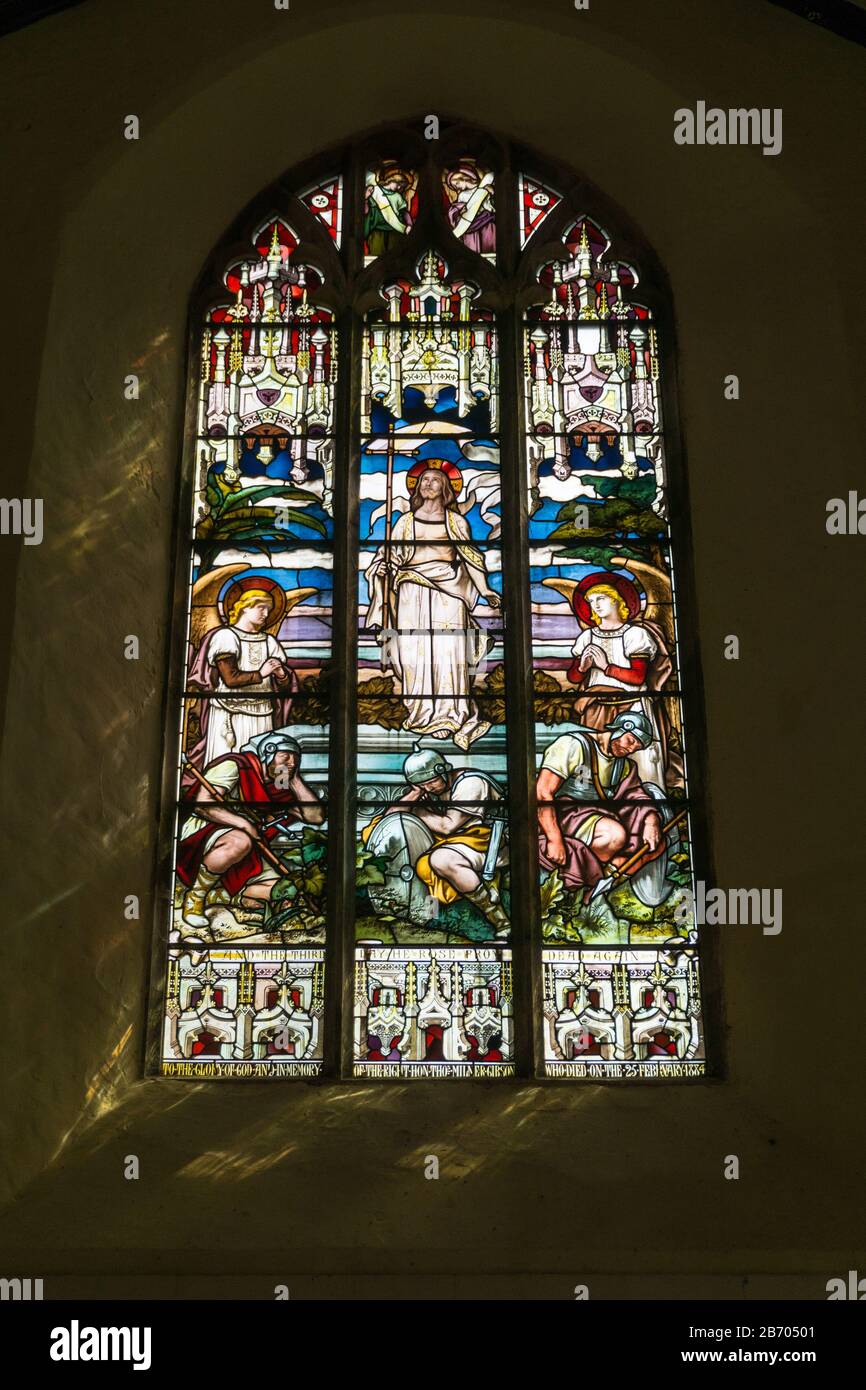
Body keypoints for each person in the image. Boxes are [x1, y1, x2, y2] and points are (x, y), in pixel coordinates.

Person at [364, 462, 500, 749]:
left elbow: (470, 558)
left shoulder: (456, 522)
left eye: (435, 480)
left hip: (448, 592)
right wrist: (384, 567)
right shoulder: (404, 522)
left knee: (449, 650)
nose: (427, 484)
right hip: (411, 589)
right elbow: (390, 557)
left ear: (446, 488)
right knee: (414, 650)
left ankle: (452, 713)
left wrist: (485, 589)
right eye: (423, 479)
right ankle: (421, 712)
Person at [177, 731, 324, 936]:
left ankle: (223, 896)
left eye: (295, 760)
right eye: (286, 757)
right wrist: (244, 824)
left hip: (250, 846)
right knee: (240, 840)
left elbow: (315, 816)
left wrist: (295, 780)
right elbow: (204, 805)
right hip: (202, 833)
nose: (291, 763)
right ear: (267, 752)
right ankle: (195, 898)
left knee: (283, 890)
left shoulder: (277, 785)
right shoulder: (236, 765)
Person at [363, 745, 509, 937]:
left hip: (490, 844)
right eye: (421, 785)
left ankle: (498, 918)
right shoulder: (426, 790)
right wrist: (413, 795)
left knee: (440, 860)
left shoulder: (471, 783)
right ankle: (431, 917)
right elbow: (388, 821)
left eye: (430, 782)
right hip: (455, 843)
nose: (427, 788)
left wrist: (416, 811)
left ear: (443, 771)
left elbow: (448, 826)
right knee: (417, 858)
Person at [536, 711, 663, 894]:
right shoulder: (573, 745)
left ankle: (599, 879)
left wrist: (652, 821)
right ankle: (595, 878)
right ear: (620, 729)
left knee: (653, 842)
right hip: (563, 815)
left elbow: (636, 795)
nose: (632, 749)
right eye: (631, 740)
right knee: (615, 835)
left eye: (637, 746)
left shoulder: (624, 766)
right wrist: (554, 839)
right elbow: (542, 792)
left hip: (594, 816)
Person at [566, 572, 672, 787]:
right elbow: (573, 676)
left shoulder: (635, 635)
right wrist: (582, 667)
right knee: (593, 762)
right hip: (596, 709)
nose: (595, 605)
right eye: (591, 601)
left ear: (617, 600)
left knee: (639, 763)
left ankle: (647, 808)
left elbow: (638, 676)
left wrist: (606, 667)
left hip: (632, 708)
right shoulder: (587, 636)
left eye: (601, 598)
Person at [186, 577, 296, 769]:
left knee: (258, 766)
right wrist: (261, 673)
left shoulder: (269, 641)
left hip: (262, 713)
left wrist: (280, 675)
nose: (266, 613)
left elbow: (285, 687)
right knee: (226, 767)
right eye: (261, 607)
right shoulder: (226, 636)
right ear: (245, 607)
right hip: (229, 715)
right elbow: (230, 679)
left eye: (268, 609)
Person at [444, 162, 496, 255]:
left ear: (464, 178)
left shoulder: (486, 186)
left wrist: (492, 192)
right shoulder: (462, 195)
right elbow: (456, 212)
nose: (455, 187)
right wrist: (460, 211)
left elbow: (494, 206)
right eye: (453, 186)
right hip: (469, 230)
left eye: (456, 183)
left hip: (487, 225)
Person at [364, 165, 412, 256]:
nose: (399, 188)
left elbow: (404, 212)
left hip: (395, 232)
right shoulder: (374, 192)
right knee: (375, 258)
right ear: (391, 179)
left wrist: (409, 224)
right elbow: (366, 212)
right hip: (377, 231)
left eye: (401, 186)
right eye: (398, 184)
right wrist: (366, 198)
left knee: (396, 257)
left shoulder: (398, 197)